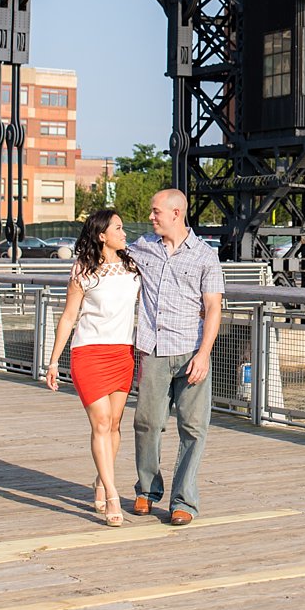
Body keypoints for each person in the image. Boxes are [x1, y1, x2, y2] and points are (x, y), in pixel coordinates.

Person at [129, 188, 223, 526]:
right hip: (153, 349)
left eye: (156, 211)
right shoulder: (142, 248)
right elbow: (108, 254)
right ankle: (146, 490)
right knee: (147, 423)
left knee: (193, 428)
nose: (151, 217)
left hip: (190, 352)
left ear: (176, 213)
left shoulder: (204, 255)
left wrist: (204, 353)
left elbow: (213, 306)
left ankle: (184, 501)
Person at [43, 209, 141, 527]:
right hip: (88, 353)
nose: (124, 233)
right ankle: (112, 494)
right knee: (100, 424)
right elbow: (69, 317)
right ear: (102, 235)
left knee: (113, 425)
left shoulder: (133, 267)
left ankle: (101, 479)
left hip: (122, 353)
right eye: (119, 228)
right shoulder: (83, 271)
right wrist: (54, 360)